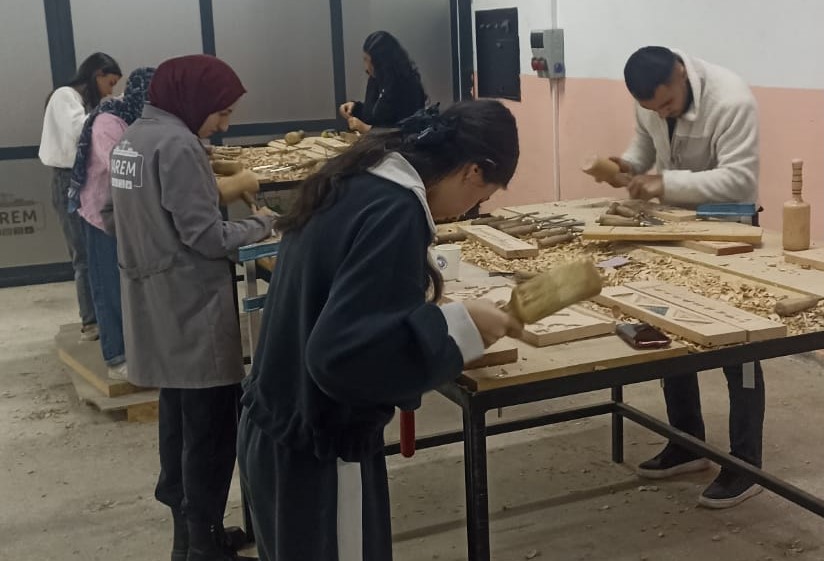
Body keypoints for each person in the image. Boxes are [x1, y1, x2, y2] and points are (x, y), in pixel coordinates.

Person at [238, 100, 524, 561]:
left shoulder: (361, 174)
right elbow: (345, 357)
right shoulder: (396, 209)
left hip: (276, 425)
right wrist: (459, 330)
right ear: (473, 171)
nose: (469, 211)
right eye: (481, 197)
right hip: (319, 452)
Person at [109, 55, 276, 561]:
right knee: (210, 429)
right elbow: (206, 236)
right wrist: (265, 224)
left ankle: (189, 540)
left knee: (178, 422)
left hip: (154, 301)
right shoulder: (178, 145)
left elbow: (128, 216)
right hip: (191, 306)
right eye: (221, 113)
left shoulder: (133, 139)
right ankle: (204, 545)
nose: (223, 125)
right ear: (194, 100)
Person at [609, 45, 763, 509]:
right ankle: (686, 441)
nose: (661, 113)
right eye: (652, 108)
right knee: (670, 331)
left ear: (680, 73)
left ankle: (746, 464)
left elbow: (739, 179)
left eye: (667, 104)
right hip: (676, 226)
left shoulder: (732, 100)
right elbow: (646, 144)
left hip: (728, 230)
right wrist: (628, 166)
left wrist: (666, 183)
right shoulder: (653, 102)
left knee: (740, 346)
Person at [67, 67, 155, 381]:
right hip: (100, 214)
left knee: (130, 283)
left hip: (126, 212)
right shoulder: (108, 121)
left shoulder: (135, 118)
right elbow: (122, 167)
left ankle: (140, 349)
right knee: (109, 286)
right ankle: (116, 356)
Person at [39, 52, 122, 341]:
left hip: (81, 180)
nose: (109, 91)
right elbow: (80, 130)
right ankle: (91, 321)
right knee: (84, 255)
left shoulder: (83, 103)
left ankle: (103, 316)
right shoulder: (64, 96)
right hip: (68, 182)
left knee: (95, 252)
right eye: (109, 83)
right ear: (97, 74)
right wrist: (112, 109)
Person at [338, 31, 428, 133]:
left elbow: (406, 130)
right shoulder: (376, 79)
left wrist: (367, 129)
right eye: (364, 60)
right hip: (373, 141)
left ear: (381, 63)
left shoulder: (408, 86)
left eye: (368, 61)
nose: (366, 67)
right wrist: (355, 108)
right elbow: (374, 115)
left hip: (397, 142)